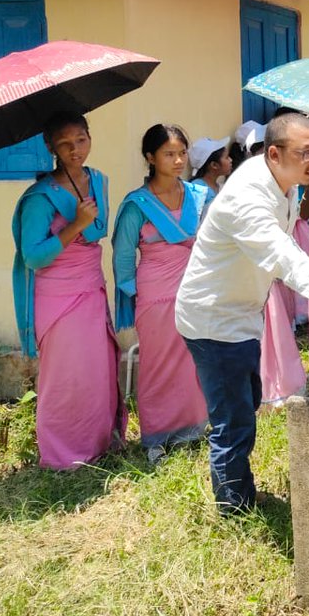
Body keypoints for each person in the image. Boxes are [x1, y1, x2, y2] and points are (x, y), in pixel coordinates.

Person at [176, 113, 309, 514]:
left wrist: (304, 259)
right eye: (306, 152)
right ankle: (235, 509)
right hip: (214, 320)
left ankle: (235, 485)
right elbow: (277, 251)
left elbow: (281, 245)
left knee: (245, 399)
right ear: (273, 153)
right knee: (233, 421)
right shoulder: (247, 196)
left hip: (242, 312)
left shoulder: (282, 182)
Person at [12, 113, 125, 470]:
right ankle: (62, 456)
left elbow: (99, 231)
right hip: (58, 298)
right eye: (64, 143)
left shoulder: (98, 182)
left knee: (97, 371)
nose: (75, 149)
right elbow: (33, 256)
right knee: (66, 378)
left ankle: (99, 444)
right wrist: (76, 223)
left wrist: (86, 223)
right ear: (50, 148)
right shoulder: (39, 199)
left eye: (80, 139)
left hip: (91, 289)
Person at [112, 125, 211, 465]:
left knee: (193, 360)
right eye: (169, 153)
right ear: (150, 158)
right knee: (157, 364)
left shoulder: (199, 195)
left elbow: (216, 236)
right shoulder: (136, 205)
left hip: (195, 289)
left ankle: (193, 428)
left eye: (182, 152)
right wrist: (134, 292)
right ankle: (156, 437)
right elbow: (123, 255)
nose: (178, 160)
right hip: (155, 295)